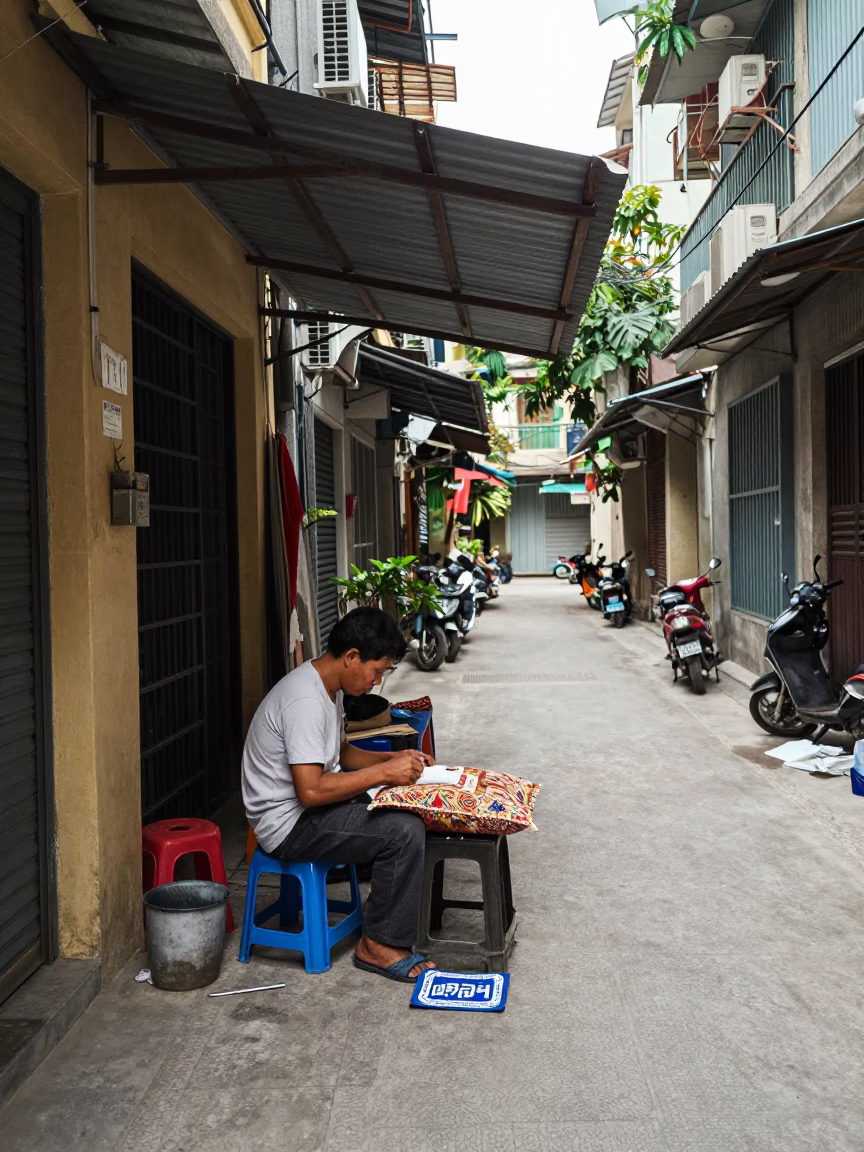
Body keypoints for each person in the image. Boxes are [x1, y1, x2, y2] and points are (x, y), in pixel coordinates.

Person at [241, 607, 436, 983]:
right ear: (350, 657)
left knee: (404, 803)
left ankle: (386, 920)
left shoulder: (329, 688)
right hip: (289, 826)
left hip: (307, 812)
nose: (377, 681)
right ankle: (378, 945)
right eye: (376, 670)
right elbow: (311, 791)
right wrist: (382, 773)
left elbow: (342, 754)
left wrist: (393, 758)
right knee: (403, 831)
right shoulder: (306, 702)